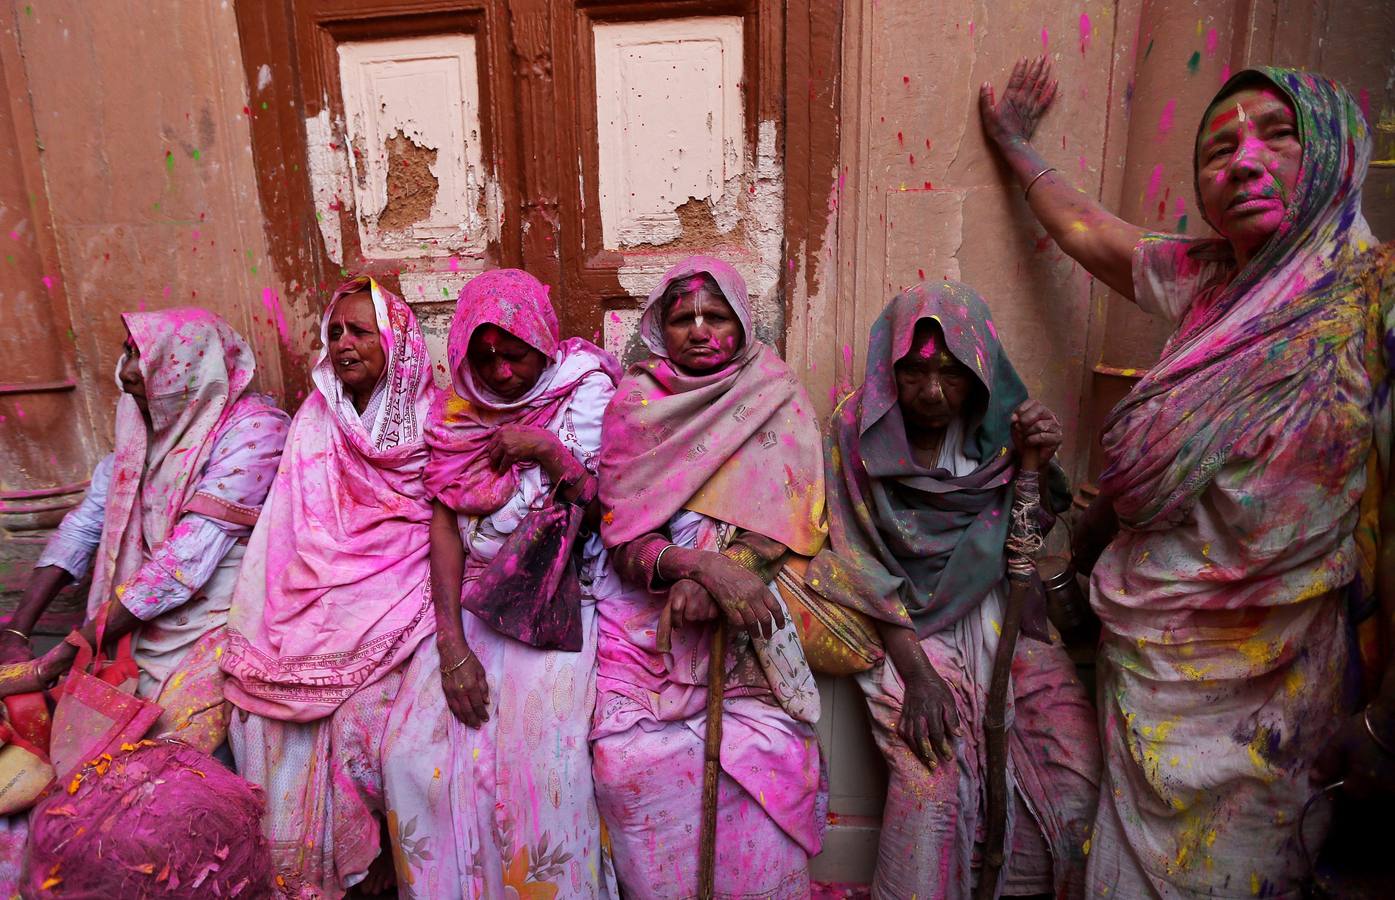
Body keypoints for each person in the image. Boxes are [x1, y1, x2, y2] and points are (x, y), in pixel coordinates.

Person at [981, 57, 1395, 895]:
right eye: (1218, 149)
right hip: (1145, 666)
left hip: (1278, 692)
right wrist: (1014, 146)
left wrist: (1386, 725)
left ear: (1335, 151)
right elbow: (1088, 232)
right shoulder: (1208, 280)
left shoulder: (1373, 301)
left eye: (1277, 136)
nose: (1244, 161)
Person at [807, 282, 1100, 899]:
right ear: (890, 368)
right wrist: (916, 674)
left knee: (1074, 784)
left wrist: (1035, 462)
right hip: (906, 626)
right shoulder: (854, 433)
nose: (933, 392)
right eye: (914, 372)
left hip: (1004, 615)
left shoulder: (1001, 431)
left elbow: (1031, 530)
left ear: (980, 370)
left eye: (952, 373)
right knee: (931, 780)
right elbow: (857, 561)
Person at [0, 308, 288, 889]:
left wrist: (79, 642)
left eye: (139, 358)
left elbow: (189, 559)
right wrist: (18, 630)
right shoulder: (142, 429)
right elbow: (83, 529)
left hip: (217, 624)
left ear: (185, 369)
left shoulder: (255, 431)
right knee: (76, 774)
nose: (124, 372)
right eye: (126, 354)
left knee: (156, 783)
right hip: (129, 626)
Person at [592, 256, 828, 899]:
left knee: (774, 753)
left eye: (715, 316)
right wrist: (694, 566)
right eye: (682, 319)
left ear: (742, 323)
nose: (699, 330)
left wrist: (732, 571)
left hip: (748, 624)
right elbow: (621, 538)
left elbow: (797, 515)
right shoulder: (634, 403)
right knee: (622, 765)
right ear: (658, 330)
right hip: (646, 617)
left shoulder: (777, 393)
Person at [380, 268, 620, 898]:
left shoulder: (586, 394)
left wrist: (546, 450)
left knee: (544, 767)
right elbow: (446, 531)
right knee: (411, 757)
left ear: (543, 341)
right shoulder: (455, 415)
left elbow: (603, 513)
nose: (502, 374)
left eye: (516, 355)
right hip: (474, 605)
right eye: (484, 358)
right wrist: (451, 646)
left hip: (557, 598)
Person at [221, 277, 437, 896]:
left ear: (394, 341)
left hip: (399, 586)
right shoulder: (315, 417)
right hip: (312, 589)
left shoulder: (436, 417)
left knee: (357, 718)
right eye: (335, 332)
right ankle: (296, 869)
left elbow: (440, 524)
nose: (344, 343)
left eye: (360, 331)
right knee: (258, 704)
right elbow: (291, 521)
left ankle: (369, 866)